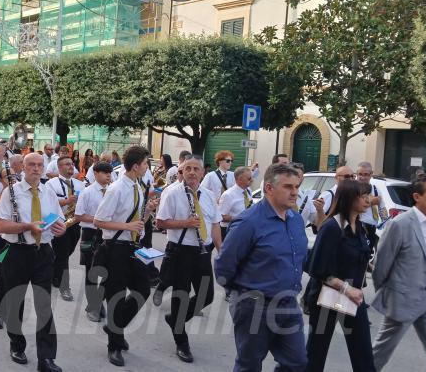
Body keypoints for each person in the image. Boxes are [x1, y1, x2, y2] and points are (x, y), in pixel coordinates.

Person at [214, 163, 308, 372]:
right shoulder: (249, 222)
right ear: (268, 188)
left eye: (296, 187)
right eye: (288, 187)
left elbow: (300, 258)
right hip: (255, 305)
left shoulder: (296, 220)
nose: (295, 192)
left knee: (297, 362)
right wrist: (238, 295)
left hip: (288, 304)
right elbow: (224, 264)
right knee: (249, 365)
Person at [0, 153, 66, 372]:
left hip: (42, 252)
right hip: (16, 252)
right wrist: (27, 226)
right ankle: (17, 344)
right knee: (16, 302)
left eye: (39, 165)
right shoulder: (11, 192)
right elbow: (1, 226)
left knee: (44, 305)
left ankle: (46, 358)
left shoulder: (48, 191)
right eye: (31, 165)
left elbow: (59, 219)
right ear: (23, 168)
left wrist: (61, 228)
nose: (36, 168)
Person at [371, 174, 426, 371]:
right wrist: (392, 293)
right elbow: (381, 265)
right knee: (379, 355)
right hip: (404, 299)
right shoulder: (400, 224)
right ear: (417, 197)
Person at [93, 145, 159, 367]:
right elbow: (99, 220)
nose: (147, 167)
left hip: (132, 247)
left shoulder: (137, 187)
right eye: (145, 163)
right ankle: (114, 345)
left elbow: (137, 219)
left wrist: (148, 210)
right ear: (135, 166)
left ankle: (115, 327)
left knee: (142, 289)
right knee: (116, 296)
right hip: (116, 248)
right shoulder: (117, 188)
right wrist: (127, 225)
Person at [155, 158, 222, 363]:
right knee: (180, 297)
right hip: (180, 251)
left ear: (202, 173)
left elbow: (215, 226)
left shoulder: (209, 195)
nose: (192, 172)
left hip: (202, 252)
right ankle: (181, 342)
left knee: (207, 295)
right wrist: (186, 223)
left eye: (196, 169)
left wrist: (223, 252)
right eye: (188, 169)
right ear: (181, 173)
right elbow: (160, 222)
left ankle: (175, 320)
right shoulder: (173, 193)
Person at [303, 180, 375, 372]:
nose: (368, 200)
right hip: (326, 298)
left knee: (363, 354)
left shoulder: (360, 227)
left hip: (353, 297)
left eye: (369, 195)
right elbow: (317, 269)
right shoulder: (331, 227)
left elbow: (358, 258)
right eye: (363, 196)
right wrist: (345, 288)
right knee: (315, 354)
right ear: (349, 198)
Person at [0, 154, 24, 330]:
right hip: (0, 241)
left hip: (19, 242)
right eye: (7, 178)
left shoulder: (22, 193)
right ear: (1, 179)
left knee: (16, 279)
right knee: (1, 278)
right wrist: (6, 189)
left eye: (14, 178)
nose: (11, 180)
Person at [74, 161, 113, 322]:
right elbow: (79, 216)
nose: (109, 176)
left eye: (110, 173)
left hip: (108, 233)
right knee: (91, 272)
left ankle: (96, 303)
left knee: (107, 272)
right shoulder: (87, 192)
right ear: (96, 174)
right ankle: (93, 307)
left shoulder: (112, 191)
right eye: (105, 173)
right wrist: (99, 220)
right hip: (90, 233)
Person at [46, 156, 85, 301]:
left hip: (74, 223)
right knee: (62, 255)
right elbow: (48, 201)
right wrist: (66, 201)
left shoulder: (80, 184)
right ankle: (65, 287)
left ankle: (54, 276)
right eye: (67, 164)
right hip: (59, 223)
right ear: (59, 167)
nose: (71, 166)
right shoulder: (51, 184)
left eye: (72, 164)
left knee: (66, 253)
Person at [307, 165, 356, 230]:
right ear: (336, 178)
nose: (350, 179)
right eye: (346, 176)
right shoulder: (328, 195)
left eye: (352, 176)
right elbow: (318, 223)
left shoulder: (354, 195)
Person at [218, 166, 254, 241]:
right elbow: (221, 216)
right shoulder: (228, 195)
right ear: (240, 179)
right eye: (249, 178)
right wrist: (239, 218)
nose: (252, 180)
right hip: (230, 231)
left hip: (244, 229)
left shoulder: (248, 191)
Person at [356, 161, 386, 250]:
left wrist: (385, 221)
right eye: (360, 174)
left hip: (372, 227)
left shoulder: (376, 189)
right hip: (358, 225)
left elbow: (382, 208)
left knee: (367, 254)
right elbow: (353, 205)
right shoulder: (353, 188)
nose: (362, 177)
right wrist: (372, 201)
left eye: (366, 174)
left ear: (371, 174)